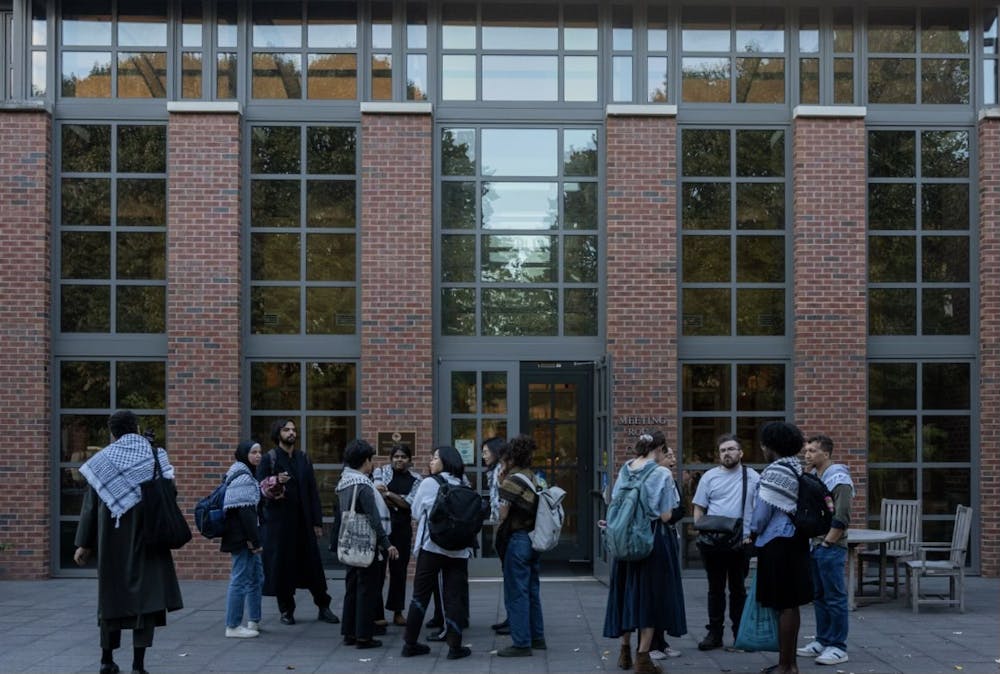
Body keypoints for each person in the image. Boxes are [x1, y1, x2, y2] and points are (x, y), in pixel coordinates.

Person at [74, 411, 183, 674]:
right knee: (146, 603)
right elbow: (171, 492)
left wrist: (83, 544)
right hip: (148, 537)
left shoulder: (101, 462)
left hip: (112, 541)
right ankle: (138, 666)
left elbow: (90, 506)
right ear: (136, 427)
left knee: (111, 600)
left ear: (113, 433)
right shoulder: (155, 455)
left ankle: (106, 660)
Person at [602, 433, 681, 674]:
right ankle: (643, 658)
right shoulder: (662, 473)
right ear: (658, 449)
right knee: (649, 597)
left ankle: (624, 651)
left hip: (625, 541)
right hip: (651, 540)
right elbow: (667, 515)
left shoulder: (625, 469)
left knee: (626, 594)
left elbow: (613, 499)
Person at [256, 418, 339, 626]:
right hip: (279, 524)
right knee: (283, 567)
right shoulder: (270, 459)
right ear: (278, 433)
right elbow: (259, 489)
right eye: (286, 430)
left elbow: (312, 491)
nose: (291, 433)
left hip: (303, 522)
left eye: (293, 430)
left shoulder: (304, 459)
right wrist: (276, 482)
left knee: (313, 567)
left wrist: (317, 521)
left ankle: (323, 606)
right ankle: (286, 610)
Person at [751, 421, 813, 674]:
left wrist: (749, 533)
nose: (763, 448)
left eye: (765, 443)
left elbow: (761, 514)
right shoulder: (795, 467)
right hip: (796, 542)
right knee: (791, 604)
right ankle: (788, 663)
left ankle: (787, 666)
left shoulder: (776, 471)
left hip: (778, 543)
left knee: (783, 604)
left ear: (772, 445)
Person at [400, 446, 473, 660]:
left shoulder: (429, 483)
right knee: (454, 597)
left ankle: (410, 643)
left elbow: (414, 512)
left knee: (420, 595)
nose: (431, 462)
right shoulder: (464, 483)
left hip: (431, 546)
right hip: (459, 549)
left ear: (445, 461)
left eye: (435, 458)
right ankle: (455, 647)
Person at [692, 432, 760, 650]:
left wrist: (753, 534)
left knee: (739, 589)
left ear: (740, 452)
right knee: (715, 589)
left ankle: (740, 633)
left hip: (742, 541)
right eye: (723, 450)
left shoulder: (753, 477)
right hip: (713, 542)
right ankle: (714, 633)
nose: (727, 453)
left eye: (731, 449)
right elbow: (699, 508)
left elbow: (760, 509)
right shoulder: (709, 477)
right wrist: (701, 533)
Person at [797, 434, 854, 666]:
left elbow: (841, 518)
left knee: (835, 597)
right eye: (806, 450)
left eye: (812, 451)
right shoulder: (813, 477)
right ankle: (822, 640)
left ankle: (838, 646)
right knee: (819, 597)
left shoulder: (839, 480)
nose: (807, 454)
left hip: (829, 547)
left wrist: (828, 543)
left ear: (826, 454)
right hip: (815, 545)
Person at [336, 439, 399, 649]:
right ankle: (364, 636)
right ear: (366, 460)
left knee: (351, 587)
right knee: (367, 589)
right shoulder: (363, 485)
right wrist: (387, 544)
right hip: (365, 544)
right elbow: (374, 518)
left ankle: (349, 632)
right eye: (371, 460)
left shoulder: (344, 481)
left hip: (350, 541)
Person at [494, 434, 546, 657]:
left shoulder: (512, 481)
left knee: (517, 592)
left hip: (518, 540)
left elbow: (503, 514)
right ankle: (537, 637)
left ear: (511, 458)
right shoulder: (533, 477)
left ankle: (521, 643)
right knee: (532, 589)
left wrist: (501, 485)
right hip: (534, 538)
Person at [372, 443, 423, 627]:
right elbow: (377, 492)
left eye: (403, 457)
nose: (399, 460)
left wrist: (389, 494)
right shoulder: (381, 472)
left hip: (402, 529)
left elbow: (408, 504)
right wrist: (396, 498)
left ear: (409, 460)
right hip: (383, 527)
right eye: (396, 456)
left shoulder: (416, 479)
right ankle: (377, 614)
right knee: (378, 570)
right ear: (391, 458)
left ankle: (397, 612)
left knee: (399, 571)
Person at [648, 432, 686, 660]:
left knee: (665, 591)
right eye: (667, 455)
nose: (672, 460)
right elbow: (668, 515)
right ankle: (651, 644)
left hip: (666, 537)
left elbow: (680, 509)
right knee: (655, 591)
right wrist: (675, 514)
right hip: (656, 538)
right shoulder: (658, 476)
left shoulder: (667, 478)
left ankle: (661, 641)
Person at [221, 440, 265, 638]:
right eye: (253, 452)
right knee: (239, 579)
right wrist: (254, 542)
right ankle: (233, 626)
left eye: (259, 452)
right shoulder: (244, 477)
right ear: (244, 454)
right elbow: (246, 513)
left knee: (256, 577)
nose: (258, 455)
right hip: (242, 538)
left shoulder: (242, 473)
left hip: (243, 535)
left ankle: (254, 620)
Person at [482, 436, 511, 635]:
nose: (483, 456)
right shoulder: (494, 471)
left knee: (510, 574)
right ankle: (510, 617)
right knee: (507, 574)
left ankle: (513, 619)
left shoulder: (501, 471)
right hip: (500, 524)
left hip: (505, 526)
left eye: (485, 452)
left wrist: (500, 527)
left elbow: (503, 501)